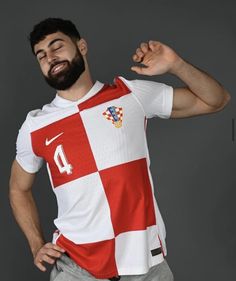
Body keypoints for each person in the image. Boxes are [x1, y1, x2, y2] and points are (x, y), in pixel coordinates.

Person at [9, 18, 230, 281]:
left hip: (146, 267)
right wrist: (36, 244)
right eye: (41, 55)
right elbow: (18, 188)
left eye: (57, 47)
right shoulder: (35, 126)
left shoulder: (130, 95)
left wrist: (176, 65)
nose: (50, 58)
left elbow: (216, 100)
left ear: (82, 46)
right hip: (75, 268)